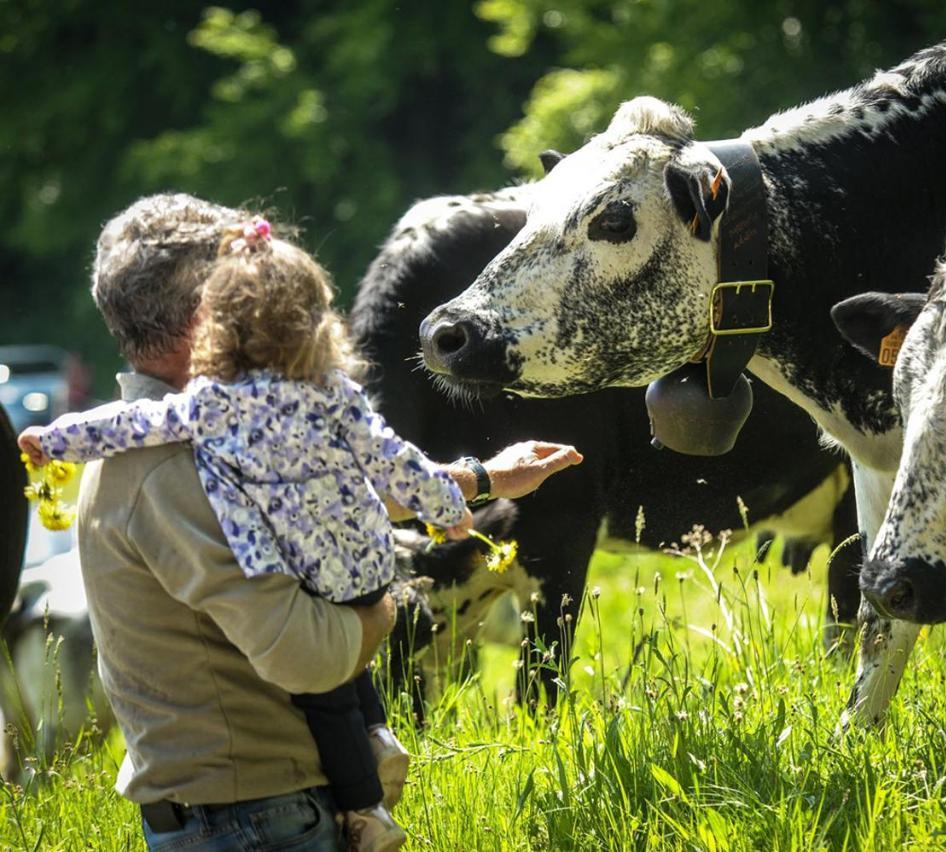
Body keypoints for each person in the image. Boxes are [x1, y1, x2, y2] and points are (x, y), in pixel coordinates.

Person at [21, 194, 581, 851]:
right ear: (210, 315)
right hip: (253, 821)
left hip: (253, 813)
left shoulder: (217, 427)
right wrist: (384, 608)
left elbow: (327, 488)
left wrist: (487, 477)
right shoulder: (173, 465)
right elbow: (307, 657)